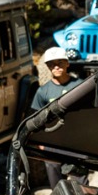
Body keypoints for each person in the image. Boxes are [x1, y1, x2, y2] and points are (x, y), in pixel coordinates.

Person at [31, 46, 82, 186]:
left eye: (60, 62)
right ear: (48, 66)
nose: (56, 67)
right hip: (53, 144)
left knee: (82, 185)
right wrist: (41, 142)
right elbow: (36, 119)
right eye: (52, 64)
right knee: (58, 188)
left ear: (67, 63)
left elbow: (88, 114)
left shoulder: (79, 86)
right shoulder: (43, 92)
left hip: (78, 142)